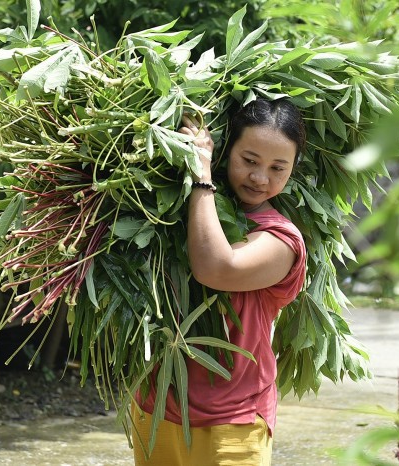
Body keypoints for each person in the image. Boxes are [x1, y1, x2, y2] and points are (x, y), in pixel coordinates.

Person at [132, 99, 308, 465]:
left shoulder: (282, 240)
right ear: (227, 150)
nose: (260, 178)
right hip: (157, 404)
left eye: (278, 168)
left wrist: (201, 172)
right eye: (249, 160)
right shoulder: (170, 209)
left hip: (234, 419)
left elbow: (215, 268)